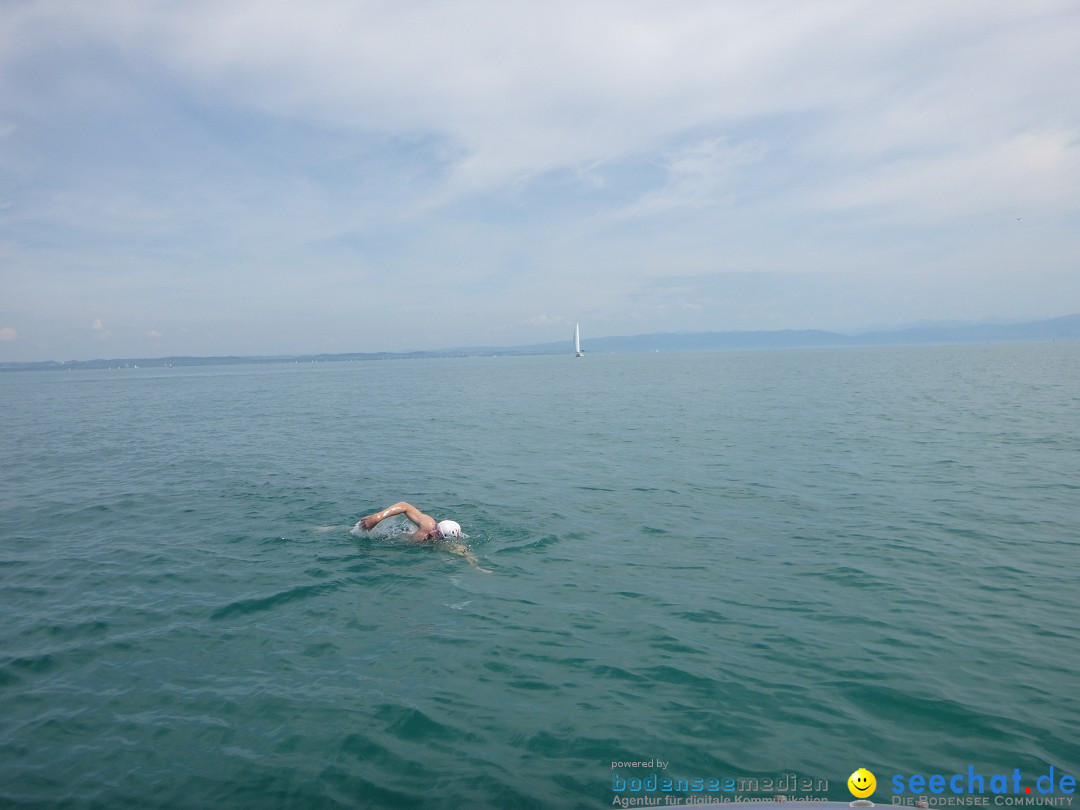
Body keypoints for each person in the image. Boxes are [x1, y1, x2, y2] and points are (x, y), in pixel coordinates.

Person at [357, 501, 462, 543]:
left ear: (444, 540)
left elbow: (466, 554)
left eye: (437, 535)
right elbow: (404, 506)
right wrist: (377, 517)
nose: (431, 533)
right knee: (360, 531)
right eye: (435, 529)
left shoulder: (448, 547)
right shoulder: (428, 524)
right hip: (397, 533)